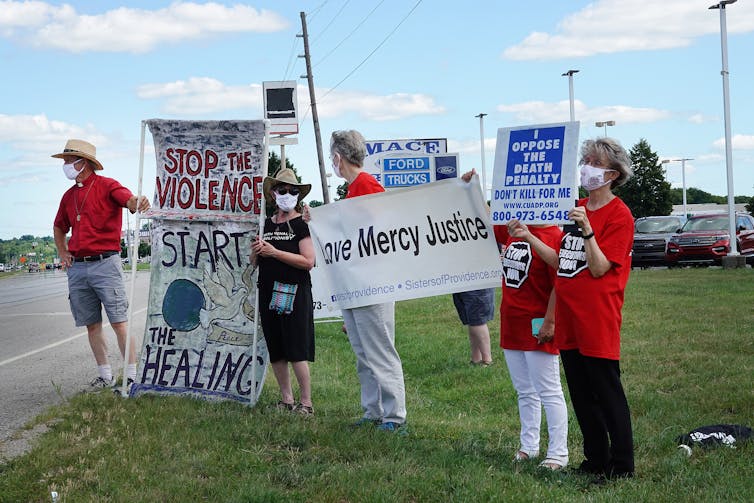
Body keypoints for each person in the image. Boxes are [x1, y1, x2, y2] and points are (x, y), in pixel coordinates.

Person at [509, 137, 635, 480]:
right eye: (586, 160)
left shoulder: (619, 215)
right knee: (581, 394)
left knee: (606, 394)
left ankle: (621, 467)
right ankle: (595, 460)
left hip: (597, 317)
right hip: (570, 317)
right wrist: (529, 237)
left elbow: (597, 267)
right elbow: (561, 262)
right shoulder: (576, 206)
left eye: (594, 162)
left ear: (611, 173)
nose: (587, 167)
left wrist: (588, 230)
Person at [52, 139, 150, 388]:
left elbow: (127, 200)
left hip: (105, 263)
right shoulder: (68, 196)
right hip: (78, 267)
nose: (65, 166)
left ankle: (131, 375)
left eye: (67, 161)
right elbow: (59, 226)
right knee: (91, 325)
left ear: (81, 162)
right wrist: (63, 252)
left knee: (118, 322)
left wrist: (136, 202)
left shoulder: (107, 186)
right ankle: (105, 375)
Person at [329, 129, 407, 433]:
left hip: (373, 283)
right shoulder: (355, 189)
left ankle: (394, 416)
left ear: (338, 158)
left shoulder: (367, 187)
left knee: (379, 350)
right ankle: (373, 410)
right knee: (365, 352)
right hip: (357, 283)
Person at [494, 222, 569, 471]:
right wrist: (470, 185)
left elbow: (561, 280)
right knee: (525, 390)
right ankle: (529, 446)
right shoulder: (514, 228)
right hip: (512, 320)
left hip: (538, 321)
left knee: (548, 391)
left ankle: (558, 453)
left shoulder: (554, 235)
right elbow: (485, 218)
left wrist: (550, 320)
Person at [251, 168, 316, 415]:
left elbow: (308, 261)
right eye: (282, 190)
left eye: (293, 191)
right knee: (276, 348)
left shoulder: (302, 225)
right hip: (268, 291)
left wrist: (275, 253)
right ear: (273, 194)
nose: (287, 194)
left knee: (296, 348)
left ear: (298, 196)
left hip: (295, 292)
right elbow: (254, 261)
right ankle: (286, 399)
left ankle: (306, 403)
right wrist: (257, 251)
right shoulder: (264, 224)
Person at [452, 289, 495, 366]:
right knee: (472, 321)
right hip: (462, 283)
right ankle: (476, 359)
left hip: (476, 285)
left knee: (477, 320)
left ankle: (487, 360)